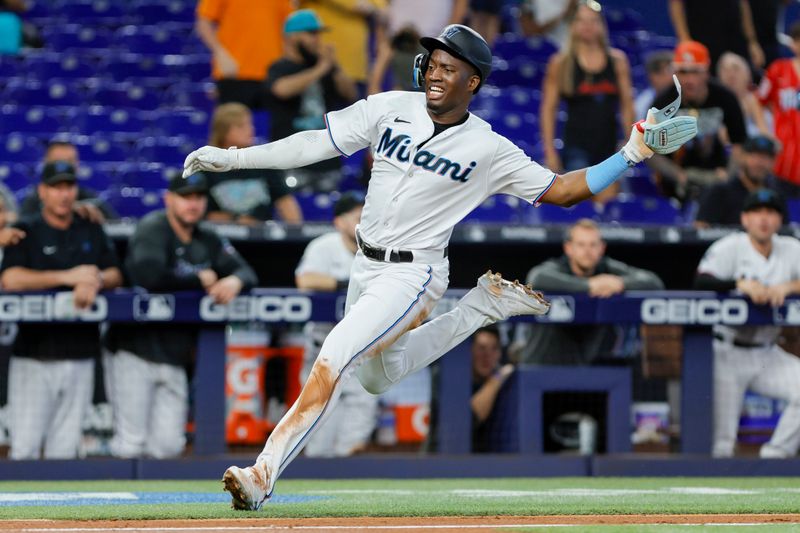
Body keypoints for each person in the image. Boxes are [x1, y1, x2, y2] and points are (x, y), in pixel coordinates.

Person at [184, 23, 693, 509]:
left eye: (449, 68)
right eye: (434, 63)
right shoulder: (390, 107)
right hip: (365, 262)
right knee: (378, 379)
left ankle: (262, 474)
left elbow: (561, 191)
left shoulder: (488, 147)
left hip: (414, 273)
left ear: (472, 81)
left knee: (334, 355)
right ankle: (478, 309)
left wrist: (630, 153)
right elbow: (313, 143)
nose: (434, 73)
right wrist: (234, 158)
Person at [104, 172, 258, 458]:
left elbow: (247, 271)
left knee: (168, 446)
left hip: (174, 354)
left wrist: (234, 281)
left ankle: (155, 504)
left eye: (198, 197)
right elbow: (147, 274)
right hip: (134, 349)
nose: (193, 204)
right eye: (186, 197)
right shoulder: (153, 228)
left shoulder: (208, 237)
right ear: (169, 199)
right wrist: (199, 278)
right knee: (131, 443)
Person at [0, 161, 123, 460]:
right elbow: (10, 278)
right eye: (56, 187)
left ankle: (57, 510)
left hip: (80, 351)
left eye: (68, 186)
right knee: (25, 448)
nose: (63, 194)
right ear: (42, 191)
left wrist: (94, 278)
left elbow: (116, 273)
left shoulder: (90, 226)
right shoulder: (25, 229)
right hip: (34, 354)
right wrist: (68, 277)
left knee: (65, 450)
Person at [694, 188, 800, 458]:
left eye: (770, 213)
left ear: (779, 220)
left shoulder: (791, 248)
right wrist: (739, 284)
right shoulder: (731, 246)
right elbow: (701, 281)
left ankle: (775, 455)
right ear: (745, 219)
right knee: (722, 445)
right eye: (756, 212)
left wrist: (789, 286)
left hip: (767, 352)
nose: (763, 219)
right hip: (727, 352)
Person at [514, 219, 664, 366]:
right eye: (581, 244)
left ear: (602, 248)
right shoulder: (558, 267)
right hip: (542, 365)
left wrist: (620, 283)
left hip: (585, 369)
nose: (587, 251)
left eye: (593, 245)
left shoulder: (605, 268)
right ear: (568, 248)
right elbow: (535, 277)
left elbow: (653, 282)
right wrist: (589, 285)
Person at [295, 192, 378, 457]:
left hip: (360, 353)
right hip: (322, 353)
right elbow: (305, 280)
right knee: (318, 432)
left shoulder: (378, 248)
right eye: (358, 217)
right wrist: (344, 284)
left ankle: (346, 481)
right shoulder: (325, 246)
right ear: (339, 221)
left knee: (358, 429)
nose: (365, 222)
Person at [540, 0, 634, 203]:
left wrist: (629, 140)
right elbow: (548, 109)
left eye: (593, 21)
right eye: (581, 21)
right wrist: (550, 151)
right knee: (581, 201)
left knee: (607, 203)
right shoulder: (561, 63)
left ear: (601, 25)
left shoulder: (617, 61)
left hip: (608, 146)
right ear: (573, 26)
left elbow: (627, 104)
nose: (587, 26)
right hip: (576, 146)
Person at [267, 9, 358, 192]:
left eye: (318, 34)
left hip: (327, 161)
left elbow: (350, 94)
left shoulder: (325, 66)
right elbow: (281, 89)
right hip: (291, 160)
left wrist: (335, 65)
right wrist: (321, 68)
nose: (317, 40)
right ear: (292, 37)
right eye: (311, 34)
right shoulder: (279, 67)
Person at [648, 41, 747, 203]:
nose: (689, 79)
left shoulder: (725, 98)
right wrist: (677, 175)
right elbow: (649, 150)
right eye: (683, 72)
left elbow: (739, 144)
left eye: (695, 72)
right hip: (675, 180)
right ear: (675, 74)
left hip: (717, 174)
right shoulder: (663, 101)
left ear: (707, 72)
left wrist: (728, 176)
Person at [205, 103, 303, 224]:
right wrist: (237, 220)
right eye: (241, 126)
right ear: (223, 131)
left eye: (250, 124)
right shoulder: (207, 168)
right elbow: (203, 214)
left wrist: (296, 231)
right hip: (220, 237)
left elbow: (285, 202)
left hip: (261, 238)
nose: (251, 129)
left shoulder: (263, 161)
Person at [195, 0, 293, 109]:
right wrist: (220, 53)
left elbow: (289, 27)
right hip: (234, 74)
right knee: (233, 123)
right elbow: (204, 22)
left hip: (272, 74)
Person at [695, 135, 784, 227]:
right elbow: (700, 230)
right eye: (754, 156)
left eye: (766, 158)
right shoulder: (720, 192)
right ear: (743, 157)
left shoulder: (776, 195)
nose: (760, 163)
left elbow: (784, 231)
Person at [19, 140, 116, 223]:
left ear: (78, 165)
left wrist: (98, 224)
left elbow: (115, 226)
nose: (63, 166)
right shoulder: (32, 202)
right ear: (45, 163)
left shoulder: (92, 200)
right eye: (58, 161)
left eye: (69, 161)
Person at [757, 21, 800, 199]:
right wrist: (765, 132)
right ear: (793, 43)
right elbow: (758, 101)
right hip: (783, 159)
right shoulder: (778, 69)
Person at [299, 0, 388, 85]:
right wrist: (371, 9)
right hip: (322, 64)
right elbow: (358, 5)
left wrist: (372, 8)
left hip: (358, 65)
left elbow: (383, 10)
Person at [668, 0, 764, 72]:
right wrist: (685, 39)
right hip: (702, 37)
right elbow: (676, 4)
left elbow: (743, 4)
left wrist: (752, 42)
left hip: (735, 38)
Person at [717, 52, 772, 138]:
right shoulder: (717, 105)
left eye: (736, 69)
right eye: (725, 70)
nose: (730, 75)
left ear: (748, 75)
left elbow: (768, 137)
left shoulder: (762, 99)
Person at [635, 51, 675, 121]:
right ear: (654, 77)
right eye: (669, 71)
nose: (674, 75)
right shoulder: (644, 103)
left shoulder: (681, 95)